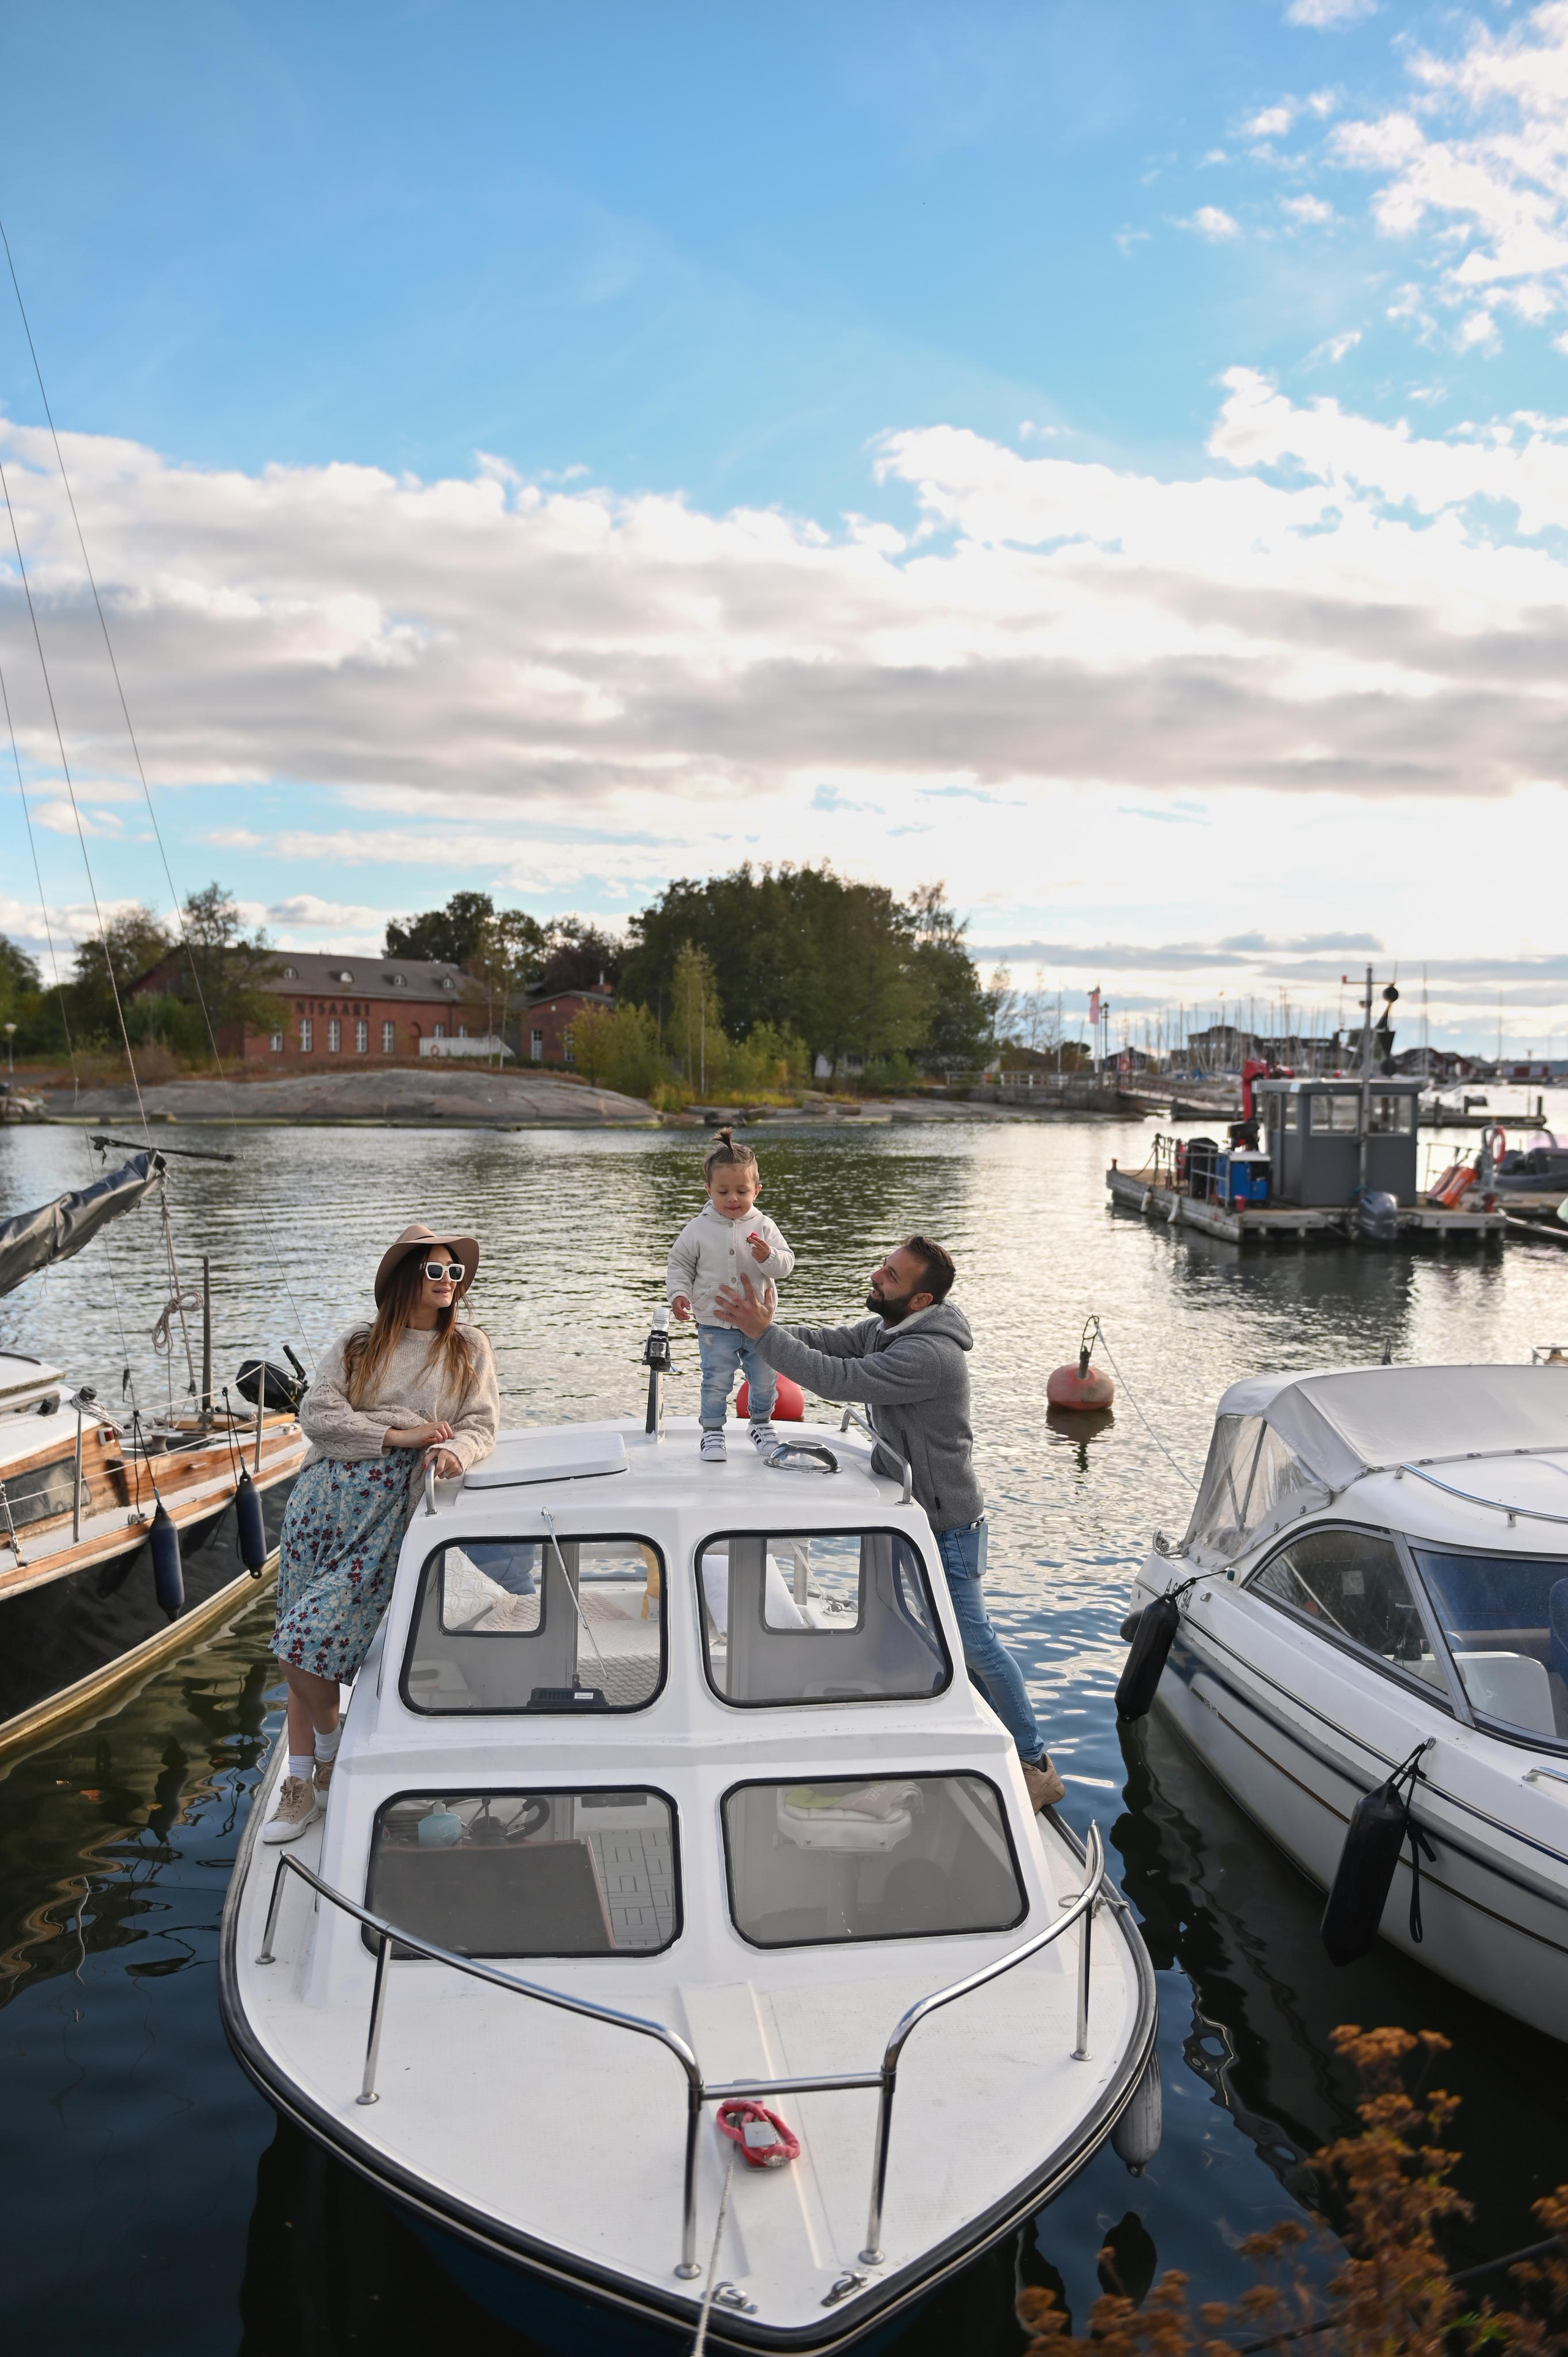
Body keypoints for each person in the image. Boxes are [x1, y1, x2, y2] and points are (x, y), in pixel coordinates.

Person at [715, 1235, 1065, 1812]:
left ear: (921, 1298)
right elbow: (829, 1344)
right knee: (937, 1634)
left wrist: (763, 1335)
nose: (877, 1276)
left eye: (891, 1275)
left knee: (975, 1642)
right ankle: (982, 1739)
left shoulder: (929, 1356)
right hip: (916, 1513)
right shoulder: (890, 1328)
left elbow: (839, 1380)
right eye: (883, 1266)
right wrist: (755, 1332)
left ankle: (1035, 1763)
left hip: (949, 1524)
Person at [261, 1222, 500, 1844]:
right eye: (437, 1271)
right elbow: (318, 1413)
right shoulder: (357, 1343)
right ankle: (300, 1781)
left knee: (299, 1645)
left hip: (386, 1519)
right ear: (406, 1278)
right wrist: (401, 1433)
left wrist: (456, 1454)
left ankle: (332, 1750)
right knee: (298, 1652)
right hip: (318, 1508)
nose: (451, 1282)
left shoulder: (468, 1347)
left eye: (456, 1272)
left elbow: (481, 1423)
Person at [667, 1127, 795, 1464]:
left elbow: (786, 1265)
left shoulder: (765, 1226)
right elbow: (679, 1263)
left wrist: (768, 1257)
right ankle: (712, 1433)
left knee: (765, 1379)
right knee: (715, 1381)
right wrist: (679, 1293)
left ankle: (762, 1424)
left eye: (741, 1190)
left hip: (759, 1325)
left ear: (757, 1189)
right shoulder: (698, 1228)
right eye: (723, 1191)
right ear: (709, 1190)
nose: (732, 1199)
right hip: (714, 1323)